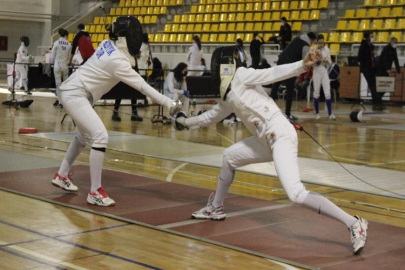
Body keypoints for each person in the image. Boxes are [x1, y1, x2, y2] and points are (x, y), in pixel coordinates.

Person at [174, 46, 368, 255]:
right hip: (265, 139)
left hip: (280, 134)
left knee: (295, 194)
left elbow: (273, 73)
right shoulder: (228, 96)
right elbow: (210, 117)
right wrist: (185, 122)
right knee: (229, 157)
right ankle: (216, 208)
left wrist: (302, 65)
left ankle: (354, 223)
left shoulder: (241, 75)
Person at [52, 16, 181, 206]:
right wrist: (169, 103)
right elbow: (142, 86)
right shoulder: (118, 62)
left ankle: (61, 175)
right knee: (100, 136)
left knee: (85, 136)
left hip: (73, 91)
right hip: (75, 94)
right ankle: (95, 191)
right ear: (125, 37)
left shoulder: (107, 44)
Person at [270, 32, 317, 120]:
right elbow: (305, 62)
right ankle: (288, 114)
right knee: (290, 91)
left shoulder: (297, 38)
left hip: (281, 61)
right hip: (289, 67)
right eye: (313, 41)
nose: (312, 44)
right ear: (311, 40)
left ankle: (267, 111)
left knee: (275, 87)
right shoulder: (305, 46)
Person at [358, 32, 383, 111]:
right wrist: (365, 66)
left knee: (374, 87)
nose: (372, 38)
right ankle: (375, 104)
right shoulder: (363, 46)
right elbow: (359, 58)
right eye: (371, 36)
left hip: (372, 68)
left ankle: (377, 103)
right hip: (367, 69)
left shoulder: (371, 46)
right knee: (372, 86)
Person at [312, 34, 335, 120]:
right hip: (316, 72)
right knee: (316, 93)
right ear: (317, 42)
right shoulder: (314, 50)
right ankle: (317, 114)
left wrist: (325, 61)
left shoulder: (327, 50)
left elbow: (330, 63)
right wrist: (317, 60)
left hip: (324, 72)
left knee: (327, 93)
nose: (321, 45)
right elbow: (312, 63)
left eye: (322, 43)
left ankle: (330, 114)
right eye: (319, 43)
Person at [376, 37, 401, 105]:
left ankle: (378, 99)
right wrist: (387, 69)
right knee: (382, 86)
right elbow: (385, 59)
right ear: (391, 42)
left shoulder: (393, 50)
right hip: (381, 69)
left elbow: (396, 59)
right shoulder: (387, 48)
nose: (395, 44)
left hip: (386, 70)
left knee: (386, 86)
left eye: (396, 42)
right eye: (394, 42)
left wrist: (398, 69)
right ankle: (377, 100)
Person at [52, 28, 72, 108]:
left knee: (58, 85)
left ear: (59, 34)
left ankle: (60, 101)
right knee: (66, 84)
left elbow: (52, 56)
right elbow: (69, 57)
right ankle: (65, 101)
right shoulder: (69, 44)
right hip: (65, 66)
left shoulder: (56, 43)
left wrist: (52, 63)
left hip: (57, 65)